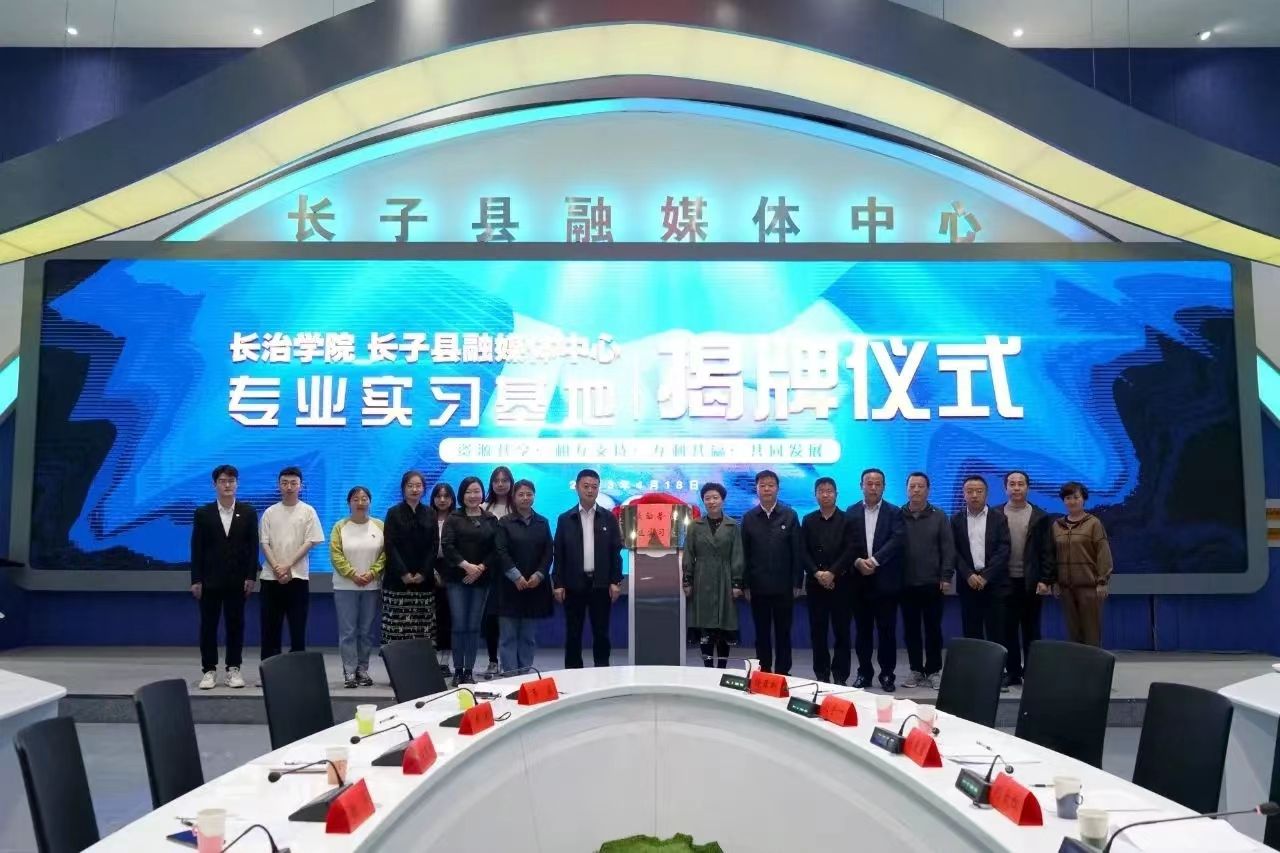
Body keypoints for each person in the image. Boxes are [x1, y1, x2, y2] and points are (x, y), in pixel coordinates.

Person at [190, 464, 258, 690]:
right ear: (215, 485)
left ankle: (233, 668)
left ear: (237, 484)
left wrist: (251, 576)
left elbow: (253, 548)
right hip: (209, 581)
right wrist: (196, 579)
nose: (227, 485)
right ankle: (209, 670)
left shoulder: (248, 512)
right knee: (208, 626)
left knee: (235, 625)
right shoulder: (203, 513)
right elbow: (197, 548)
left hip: (238, 581)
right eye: (222, 481)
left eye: (231, 481)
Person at [552, 469, 624, 668]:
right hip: (573, 584)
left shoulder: (608, 518)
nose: (590, 490)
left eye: (594, 487)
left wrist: (615, 581)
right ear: (577, 488)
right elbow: (559, 554)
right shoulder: (565, 519)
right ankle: (573, 674)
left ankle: (602, 673)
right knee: (573, 633)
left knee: (601, 633)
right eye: (586, 486)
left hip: (601, 584)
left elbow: (615, 552)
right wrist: (558, 583)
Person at [846, 468, 905, 692]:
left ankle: (887, 674)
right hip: (859, 582)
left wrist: (874, 561)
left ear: (884, 487)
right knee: (862, 631)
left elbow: (897, 540)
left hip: (885, 582)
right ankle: (864, 673)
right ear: (861, 485)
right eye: (868, 483)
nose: (873, 488)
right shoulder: (851, 512)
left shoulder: (894, 512)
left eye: (877, 484)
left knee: (887, 632)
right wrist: (857, 561)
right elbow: (847, 543)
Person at [740, 470, 804, 676]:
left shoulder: (790, 515)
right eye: (762, 485)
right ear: (756, 489)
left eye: (771, 485)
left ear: (777, 488)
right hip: (758, 587)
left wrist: (797, 582)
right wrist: (745, 585)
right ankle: (764, 673)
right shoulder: (749, 518)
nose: (766, 489)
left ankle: (783, 673)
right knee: (762, 633)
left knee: (783, 633)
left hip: (784, 587)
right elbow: (744, 554)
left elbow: (797, 551)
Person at [996, 470, 1056, 685]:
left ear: (1027, 487)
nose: (1016, 488)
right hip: (1004, 582)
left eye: (1020, 484)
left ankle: (1032, 673)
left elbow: (1047, 551)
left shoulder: (1040, 517)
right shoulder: (995, 514)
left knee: (1032, 630)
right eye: (1012, 484)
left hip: (1031, 582)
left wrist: (1045, 579)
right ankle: (1013, 672)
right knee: (1007, 630)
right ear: (1005, 488)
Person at [258, 466, 324, 660]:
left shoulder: (308, 511)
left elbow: (310, 542)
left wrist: (287, 565)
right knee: (270, 629)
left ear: (300, 486)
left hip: (298, 578)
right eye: (285, 483)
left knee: (297, 629)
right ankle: (270, 670)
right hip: (271, 579)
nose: (289, 487)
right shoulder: (270, 512)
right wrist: (277, 568)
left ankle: (297, 671)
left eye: (293, 483)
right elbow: (264, 543)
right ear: (278, 485)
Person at [442, 476, 500, 685]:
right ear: (462, 495)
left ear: (482, 493)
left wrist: (480, 568)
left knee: (474, 626)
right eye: (468, 492)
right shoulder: (453, 518)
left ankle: (469, 671)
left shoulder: (491, 519)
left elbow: (496, 548)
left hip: (481, 579)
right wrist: (466, 566)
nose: (473, 495)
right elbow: (447, 546)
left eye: (477, 491)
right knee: (459, 625)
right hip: (457, 579)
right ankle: (458, 670)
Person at [899, 472, 954, 690]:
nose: (916, 490)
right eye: (912, 486)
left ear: (928, 490)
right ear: (906, 489)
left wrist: (946, 576)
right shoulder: (898, 515)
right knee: (910, 630)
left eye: (920, 486)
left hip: (933, 583)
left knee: (933, 630)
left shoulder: (939, 516)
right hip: (905, 583)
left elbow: (948, 549)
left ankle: (933, 670)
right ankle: (915, 670)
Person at [494, 479, 553, 673]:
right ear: (513, 497)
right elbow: (501, 551)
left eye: (529, 494)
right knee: (508, 636)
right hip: (509, 588)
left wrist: (539, 575)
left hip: (534, 588)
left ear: (534, 496)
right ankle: (510, 676)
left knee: (528, 637)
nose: (525, 498)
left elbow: (548, 552)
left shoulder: (542, 522)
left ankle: (525, 675)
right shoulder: (504, 522)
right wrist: (516, 577)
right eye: (521, 494)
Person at [683, 483, 744, 668]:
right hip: (702, 578)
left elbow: (737, 555)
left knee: (724, 624)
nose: (711, 501)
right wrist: (687, 580)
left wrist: (736, 583)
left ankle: (722, 669)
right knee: (705, 625)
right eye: (707, 498)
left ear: (722, 500)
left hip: (725, 578)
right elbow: (688, 554)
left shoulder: (733, 526)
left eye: (715, 497)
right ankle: (708, 669)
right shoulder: (694, 526)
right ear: (703, 501)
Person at [330, 486, 384, 688]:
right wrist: (352, 574)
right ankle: (349, 671)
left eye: (364, 498)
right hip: (345, 586)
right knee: (348, 631)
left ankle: (363, 669)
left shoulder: (379, 525)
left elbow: (385, 554)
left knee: (366, 631)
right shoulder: (340, 526)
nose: (360, 502)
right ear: (349, 503)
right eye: (355, 499)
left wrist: (372, 573)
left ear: (370, 501)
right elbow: (336, 554)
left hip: (371, 586)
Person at [951, 476, 1011, 657]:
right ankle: (974, 670)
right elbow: (953, 551)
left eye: (979, 491)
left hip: (994, 584)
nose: (974, 495)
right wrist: (968, 574)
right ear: (963, 494)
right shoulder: (956, 519)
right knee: (971, 631)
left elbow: (1004, 549)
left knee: (997, 632)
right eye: (969, 491)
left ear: (986, 493)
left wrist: (986, 576)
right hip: (968, 583)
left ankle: (998, 670)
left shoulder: (999, 518)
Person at [801, 477, 853, 685]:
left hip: (842, 584)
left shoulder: (847, 519)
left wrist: (832, 573)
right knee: (818, 632)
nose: (825, 494)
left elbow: (851, 550)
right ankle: (821, 675)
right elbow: (803, 551)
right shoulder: (808, 520)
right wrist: (817, 573)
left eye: (829, 490)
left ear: (836, 494)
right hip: (816, 585)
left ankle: (840, 676)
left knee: (842, 632)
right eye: (821, 491)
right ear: (815, 495)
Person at [1052, 481, 1113, 647]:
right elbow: (1052, 555)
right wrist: (1055, 581)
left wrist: (1102, 581)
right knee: (1073, 632)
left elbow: (1103, 553)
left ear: (1084, 499)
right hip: (1066, 589)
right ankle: (1076, 663)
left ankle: (1092, 663)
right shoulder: (1057, 526)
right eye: (1068, 498)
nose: (1072, 501)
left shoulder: (1094, 523)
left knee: (1091, 632)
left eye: (1076, 497)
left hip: (1089, 587)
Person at [382, 471, 437, 650]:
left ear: (424, 489)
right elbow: (390, 545)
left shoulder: (430, 513)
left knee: (421, 629)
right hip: (397, 581)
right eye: (410, 486)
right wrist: (403, 573)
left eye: (418, 486)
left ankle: (420, 665)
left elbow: (433, 546)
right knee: (397, 629)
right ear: (403, 489)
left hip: (423, 582)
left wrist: (423, 573)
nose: (414, 489)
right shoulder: (393, 513)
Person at [480, 466, 514, 678]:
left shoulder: (517, 506)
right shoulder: (483, 507)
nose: (500, 484)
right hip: (488, 570)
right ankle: (493, 660)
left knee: (510, 617)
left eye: (504, 480)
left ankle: (511, 662)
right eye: (496, 480)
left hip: (512, 570)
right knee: (491, 617)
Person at [429, 482, 455, 675]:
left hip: (452, 569)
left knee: (447, 618)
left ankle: (444, 662)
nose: (442, 500)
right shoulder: (427, 518)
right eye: (438, 496)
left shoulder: (458, 518)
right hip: (428, 570)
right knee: (430, 619)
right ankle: (429, 661)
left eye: (446, 496)